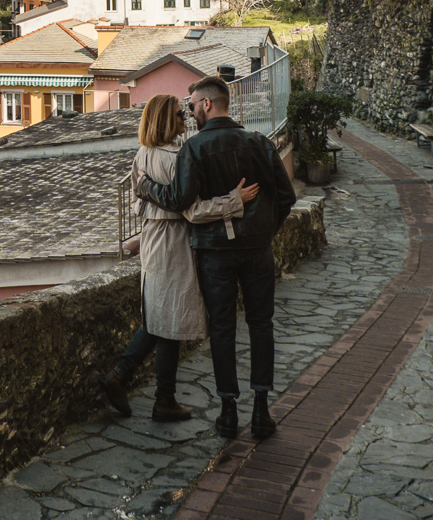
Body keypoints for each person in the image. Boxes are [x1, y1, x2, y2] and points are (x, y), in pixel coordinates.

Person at [135, 75, 296, 440]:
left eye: (191, 106)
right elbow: (286, 198)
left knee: (223, 328)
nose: (189, 113)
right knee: (261, 325)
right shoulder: (259, 143)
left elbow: (179, 201)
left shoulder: (194, 149)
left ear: (208, 104)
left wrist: (145, 186)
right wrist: (264, 232)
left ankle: (227, 413)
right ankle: (261, 410)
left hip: (215, 254)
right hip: (257, 250)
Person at [102, 93, 259, 423]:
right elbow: (193, 211)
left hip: (154, 241)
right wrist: (234, 201)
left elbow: (147, 199)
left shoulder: (143, 155)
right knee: (165, 319)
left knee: (163, 318)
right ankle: (130, 380)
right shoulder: (178, 158)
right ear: (163, 120)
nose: (184, 119)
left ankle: (158, 395)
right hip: (174, 243)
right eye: (177, 115)